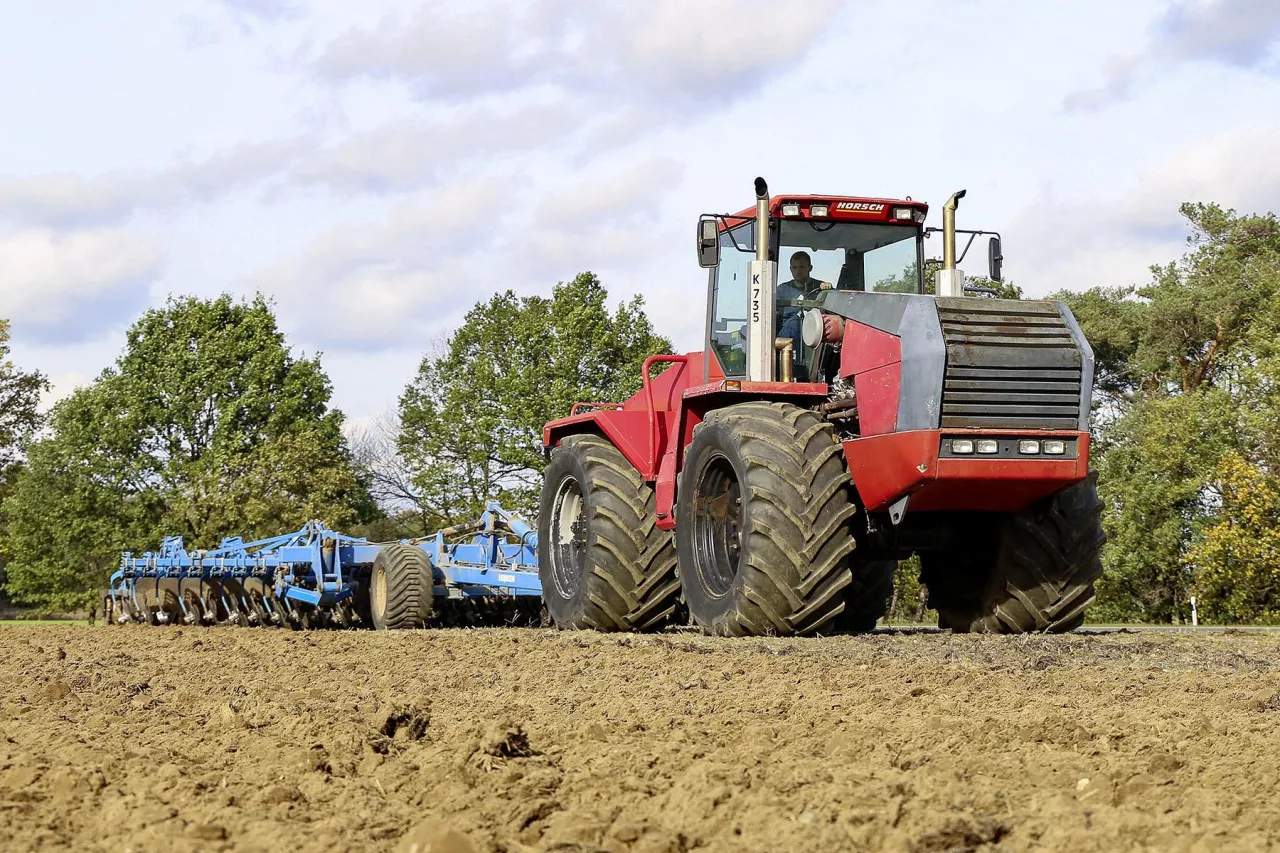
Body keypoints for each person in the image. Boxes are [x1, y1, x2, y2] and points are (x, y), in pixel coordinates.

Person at [777, 252, 833, 371]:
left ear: (810, 268)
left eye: (802, 267)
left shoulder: (821, 287)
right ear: (790, 269)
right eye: (795, 267)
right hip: (789, 337)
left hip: (815, 334)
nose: (798, 271)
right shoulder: (782, 290)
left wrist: (829, 290)